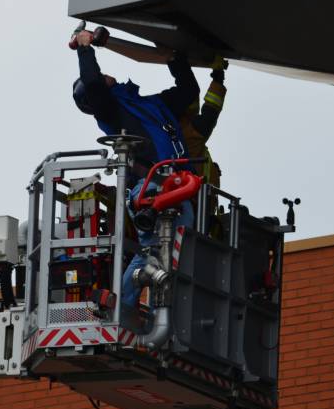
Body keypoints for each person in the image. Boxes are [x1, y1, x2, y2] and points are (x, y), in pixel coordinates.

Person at [71, 31, 199, 307]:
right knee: (152, 253)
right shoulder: (111, 112)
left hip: (179, 188)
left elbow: (189, 91)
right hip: (151, 189)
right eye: (100, 75)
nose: (105, 75)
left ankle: (159, 315)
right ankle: (120, 312)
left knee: (178, 258)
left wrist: (173, 59)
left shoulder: (150, 104)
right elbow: (93, 86)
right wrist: (84, 47)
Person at [179, 61, 227, 192]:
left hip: (197, 203)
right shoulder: (188, 138)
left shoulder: (185, 136)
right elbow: (209, 115)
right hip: (194, 202)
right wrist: (218, 80)